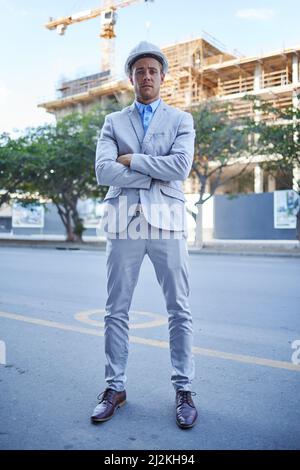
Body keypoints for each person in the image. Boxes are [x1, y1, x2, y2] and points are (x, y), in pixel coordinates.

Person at [92, 41, 197, 429]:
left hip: (168, 221)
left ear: (163, 76)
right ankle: (114, 387)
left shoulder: (181, 119)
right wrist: (158, 168)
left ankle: (184, 389)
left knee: (179, 309)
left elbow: (181, 166)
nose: (147, 76)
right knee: (115, 309)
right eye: (140, 71)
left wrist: (133, 159)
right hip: (123, 221)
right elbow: (104, 171)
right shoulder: (113, 122)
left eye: (153, 70)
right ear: (131, 78)